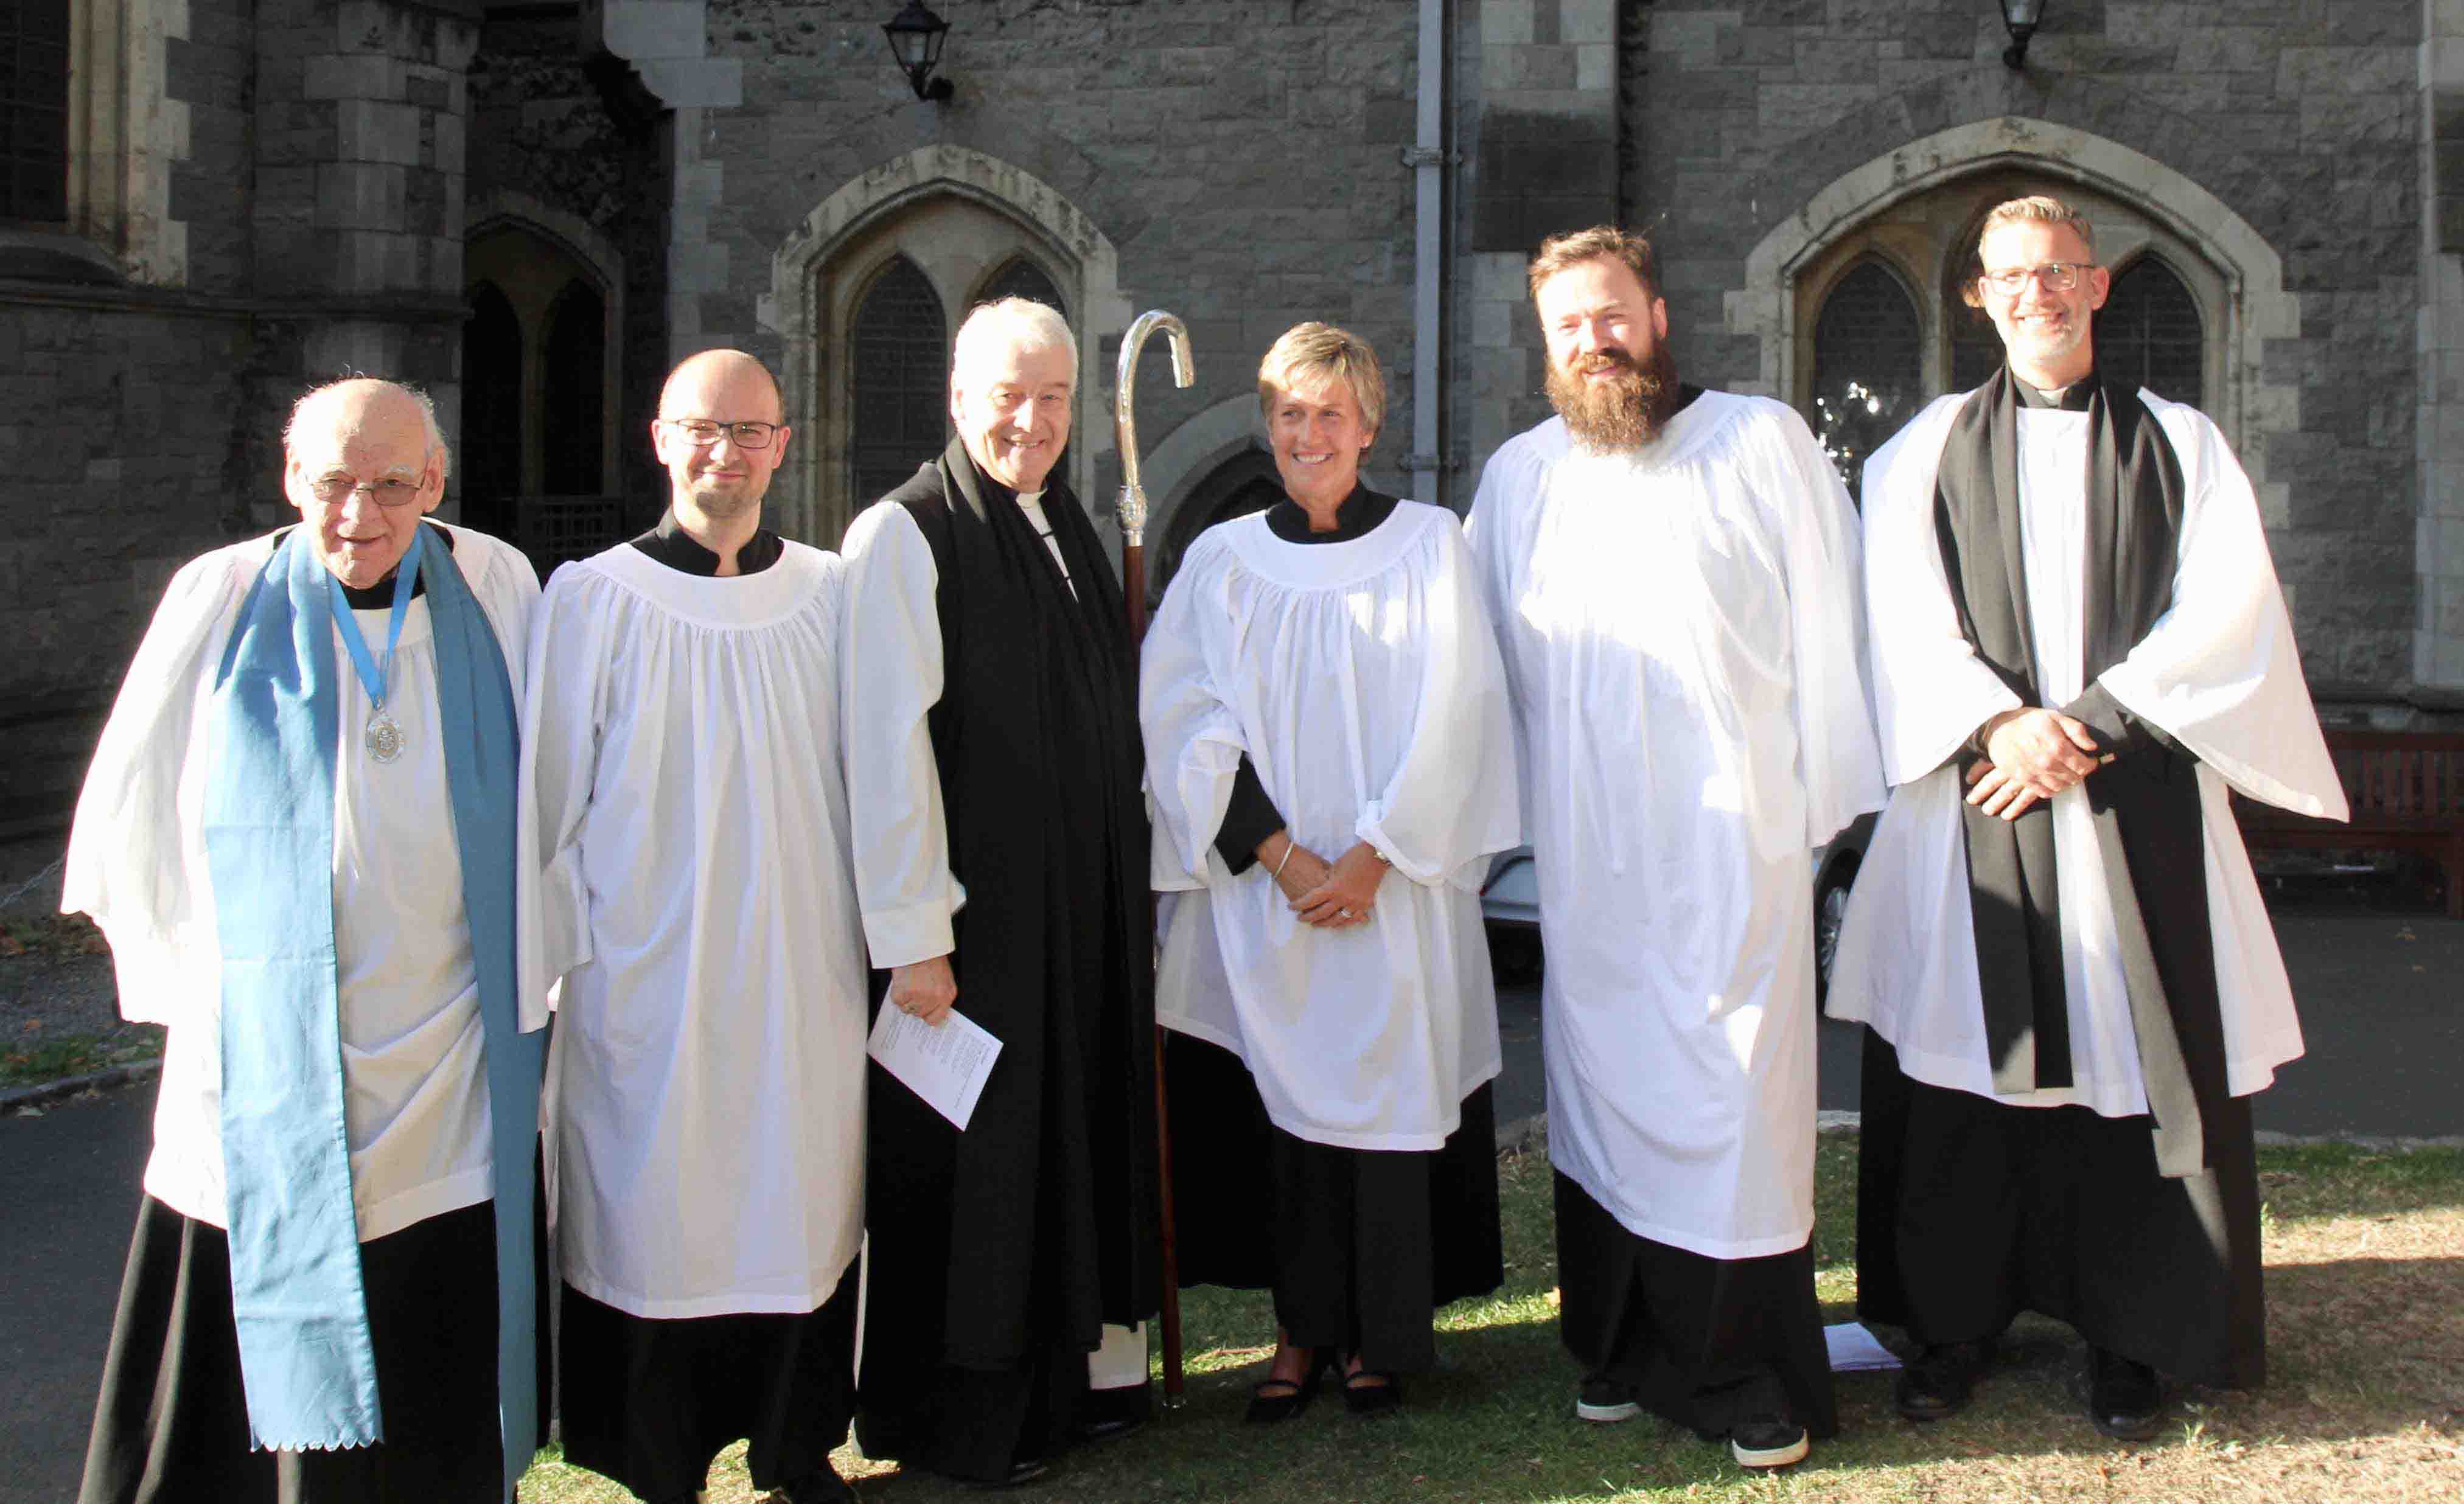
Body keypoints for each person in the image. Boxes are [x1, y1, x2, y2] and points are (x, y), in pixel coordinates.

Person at [1829, 194, 2348, 1441]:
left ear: (2099, 286)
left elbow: (2230, 609)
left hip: (2135, 796)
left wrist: (2101, 718)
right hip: (1979, 797)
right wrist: (1998, 724)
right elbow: (1891, 617)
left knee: (2132, 1063)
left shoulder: (2183, 442)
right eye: (2010, 275)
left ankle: (2133, 1334)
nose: (2036, 293)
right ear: (1977, 296)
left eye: (2059, 271)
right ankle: (1950, 1325)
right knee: (1964, 1068)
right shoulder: (1924, 450)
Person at [64, 378, 547, 1503]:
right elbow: (128, 810)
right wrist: (193, 988)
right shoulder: (220, 595)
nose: (360, 516)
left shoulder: (496, 585)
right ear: (292, 481)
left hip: (446, 1055)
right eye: (333, 483)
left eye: (391, 485)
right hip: (268, 1058)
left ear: (434, 483)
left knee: (432, 1359)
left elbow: (557, 775)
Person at [1465, 226, 1885, 1470]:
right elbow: (1477, 670)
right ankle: (1619, 1348)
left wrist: (1816, 817)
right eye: (1565, 328)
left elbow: (1833, 625)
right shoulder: (1521, 478)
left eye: (1609, 314)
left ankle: (1750, 1372)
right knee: (1601, 1098)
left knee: (1735, 1103)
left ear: (1654, 314)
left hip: (1732, 850)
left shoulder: (1761, 443)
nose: (1592, 341)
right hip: (1590, 867)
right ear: (1545, 350)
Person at [1143, 323, 1518, 1422]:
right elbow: (1179, 713)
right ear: (1270, 424)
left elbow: (1461, 710)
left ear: (1369, 425)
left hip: (1394, 892)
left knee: (1387, 1111)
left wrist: (1371, 857)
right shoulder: (1219, 562)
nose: (1309, 434)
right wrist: (1282, 854)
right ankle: (1299, 1334)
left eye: (1331, 414)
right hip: (1270, 894)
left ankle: (1380, 1338)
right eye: (1290, 414)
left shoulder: (1430, 544)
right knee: (1283, 1121)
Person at [522, 350, 867, 1504]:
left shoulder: (829, 595)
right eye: (703, 428)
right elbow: (547, 804)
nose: (727, 451)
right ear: (660, 438)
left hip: (799, 966)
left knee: (797, 1199)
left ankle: (793, 1442)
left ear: (782, 443)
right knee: (657, 1205)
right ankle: (659, 1458)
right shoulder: (593, 597)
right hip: (649, 971)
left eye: (751, 430)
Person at [842, 296, 1159, 1486]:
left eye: (1054, 398)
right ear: (957, 398)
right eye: (1007, 396)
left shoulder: (1062, 524)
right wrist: (915, 937)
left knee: (1056, 1155)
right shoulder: (904, 536)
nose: (1030, 421)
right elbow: (885, 756)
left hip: (1071, 918)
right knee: (979, 1179)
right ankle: (960, 1421)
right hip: (970, 935)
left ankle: (1060, 1391)